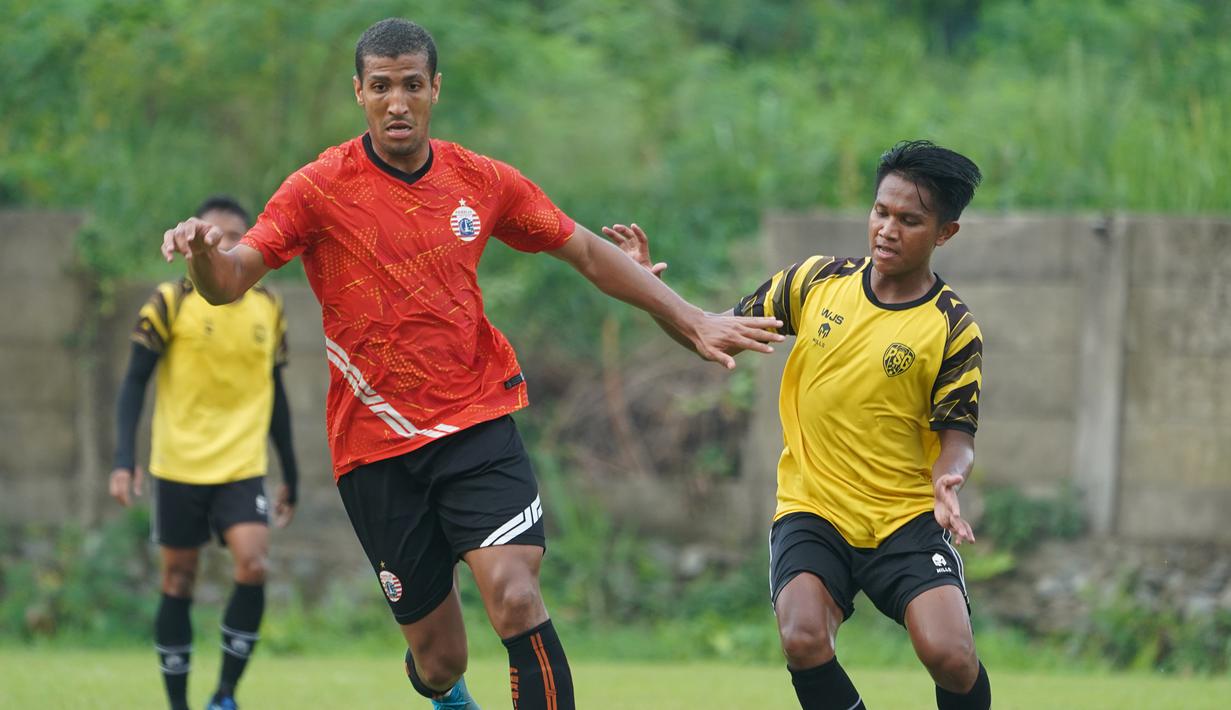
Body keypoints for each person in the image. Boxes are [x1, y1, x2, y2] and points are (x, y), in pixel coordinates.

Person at [159, 18, 782, 710]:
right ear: (359, 93)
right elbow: (231, 279)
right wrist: (201, 255)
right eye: (382, 87)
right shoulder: (317, 188)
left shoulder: (480, 180)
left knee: (516, 596)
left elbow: (581, 250)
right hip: (374, 452)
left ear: (435, 89)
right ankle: (442, 691)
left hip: (476, 422)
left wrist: (691, 315)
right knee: (439, 658)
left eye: (412, 86)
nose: (398, 102)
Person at [605, 140, 991, 710]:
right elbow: (710, 333)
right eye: (881, 212)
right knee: (802, 636)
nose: (887, 229)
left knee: (951, 659)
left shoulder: (952, 326)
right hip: (814, 507)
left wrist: (948, 479)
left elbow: (958, 435)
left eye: (909, 220)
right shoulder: (813, 282)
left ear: (944, 233)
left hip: (904, 515)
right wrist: (652, 292)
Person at [110, 195, 301, 710]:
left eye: (235, 236)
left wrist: (292, 473)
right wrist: (123, 460)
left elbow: (278, 395)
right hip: (179, 465)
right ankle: (178, 704)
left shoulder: (269, 307)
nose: (222, 245)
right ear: (193, 245)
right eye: (211, 236)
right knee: (177, 578)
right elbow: (133, 384)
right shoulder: (169, 302)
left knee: (254, 564)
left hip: (243, 466)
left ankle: (225, 696)